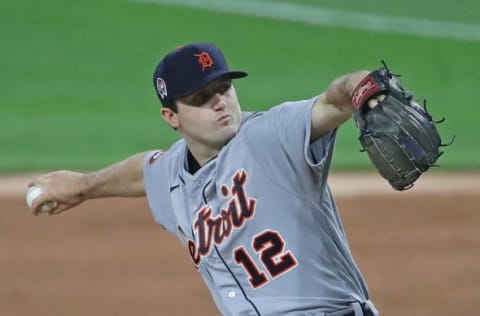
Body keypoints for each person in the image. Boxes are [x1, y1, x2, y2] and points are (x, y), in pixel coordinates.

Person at [28, 43, 381, 316]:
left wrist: (365, 87)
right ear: (171, 116)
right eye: (201, 98)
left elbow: (334, 103)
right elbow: (144, 170)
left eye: (224, 88)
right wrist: (84, 186)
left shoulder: (270, 136)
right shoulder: (172, 174)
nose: (220, 103)